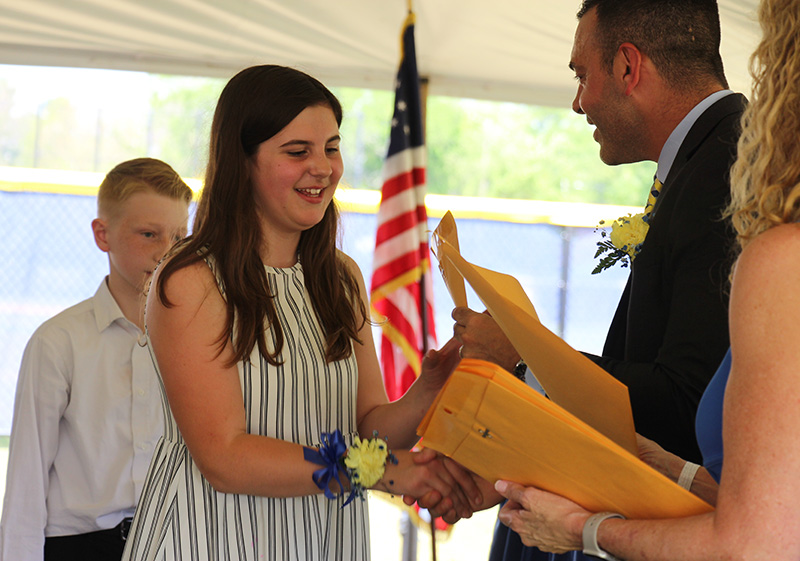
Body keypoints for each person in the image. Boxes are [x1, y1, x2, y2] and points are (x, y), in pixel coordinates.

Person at [120, 65, 478, 561]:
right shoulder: (191, 280)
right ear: (241, 161)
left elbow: (369, 431)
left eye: (332, 147)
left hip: (324, 537)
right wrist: (385, 471)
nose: (324, 167)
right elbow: (225, 457)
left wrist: (429, 390)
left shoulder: (341, 276)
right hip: (212, 537)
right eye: (297, 152)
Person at [492, 0, 800, 558]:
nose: (578, 102)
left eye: (582, 75)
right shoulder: (705, 157)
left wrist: (524, 359)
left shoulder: (729, 167)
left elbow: (686, 397)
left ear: (629, 67)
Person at [0, 158, 192, 561]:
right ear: (102, 235)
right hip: (79, 545)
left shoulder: (197, 341)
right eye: (149, 234)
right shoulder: (58, 342)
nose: (166, 252)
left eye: (178, 235)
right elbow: (26, 480)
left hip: (175, 542)